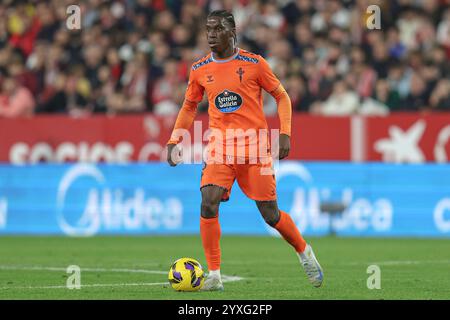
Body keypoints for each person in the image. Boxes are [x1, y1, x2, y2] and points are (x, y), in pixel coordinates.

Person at [166, 10, 323, 291]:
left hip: (255, 149)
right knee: (208, 200)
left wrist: (285, 133)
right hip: (220, 148)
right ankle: (214, 274)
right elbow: (189, 106)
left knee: (270, 214)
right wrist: (175, 139)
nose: (210, 34)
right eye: (208, 29)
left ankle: (303, 251)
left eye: (217, 28)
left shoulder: (254, 64)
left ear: (232, 31)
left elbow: (282, 96)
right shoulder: (200, 69)